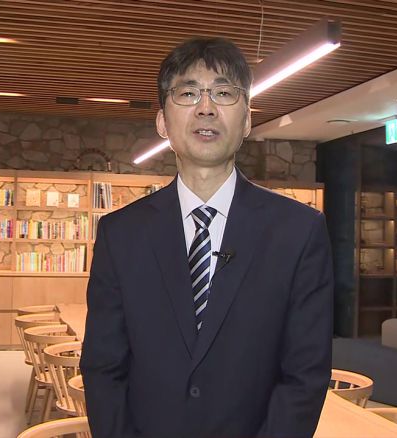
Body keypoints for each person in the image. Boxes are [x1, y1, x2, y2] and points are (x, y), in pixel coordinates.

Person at [80, 37, 334, 438]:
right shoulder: (120, 235)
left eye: (224, 93)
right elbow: (103, 368)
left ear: (247, 120)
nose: (206, 107)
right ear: (162, 122)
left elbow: (305, 376)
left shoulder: (299, 232)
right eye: (187, 93)